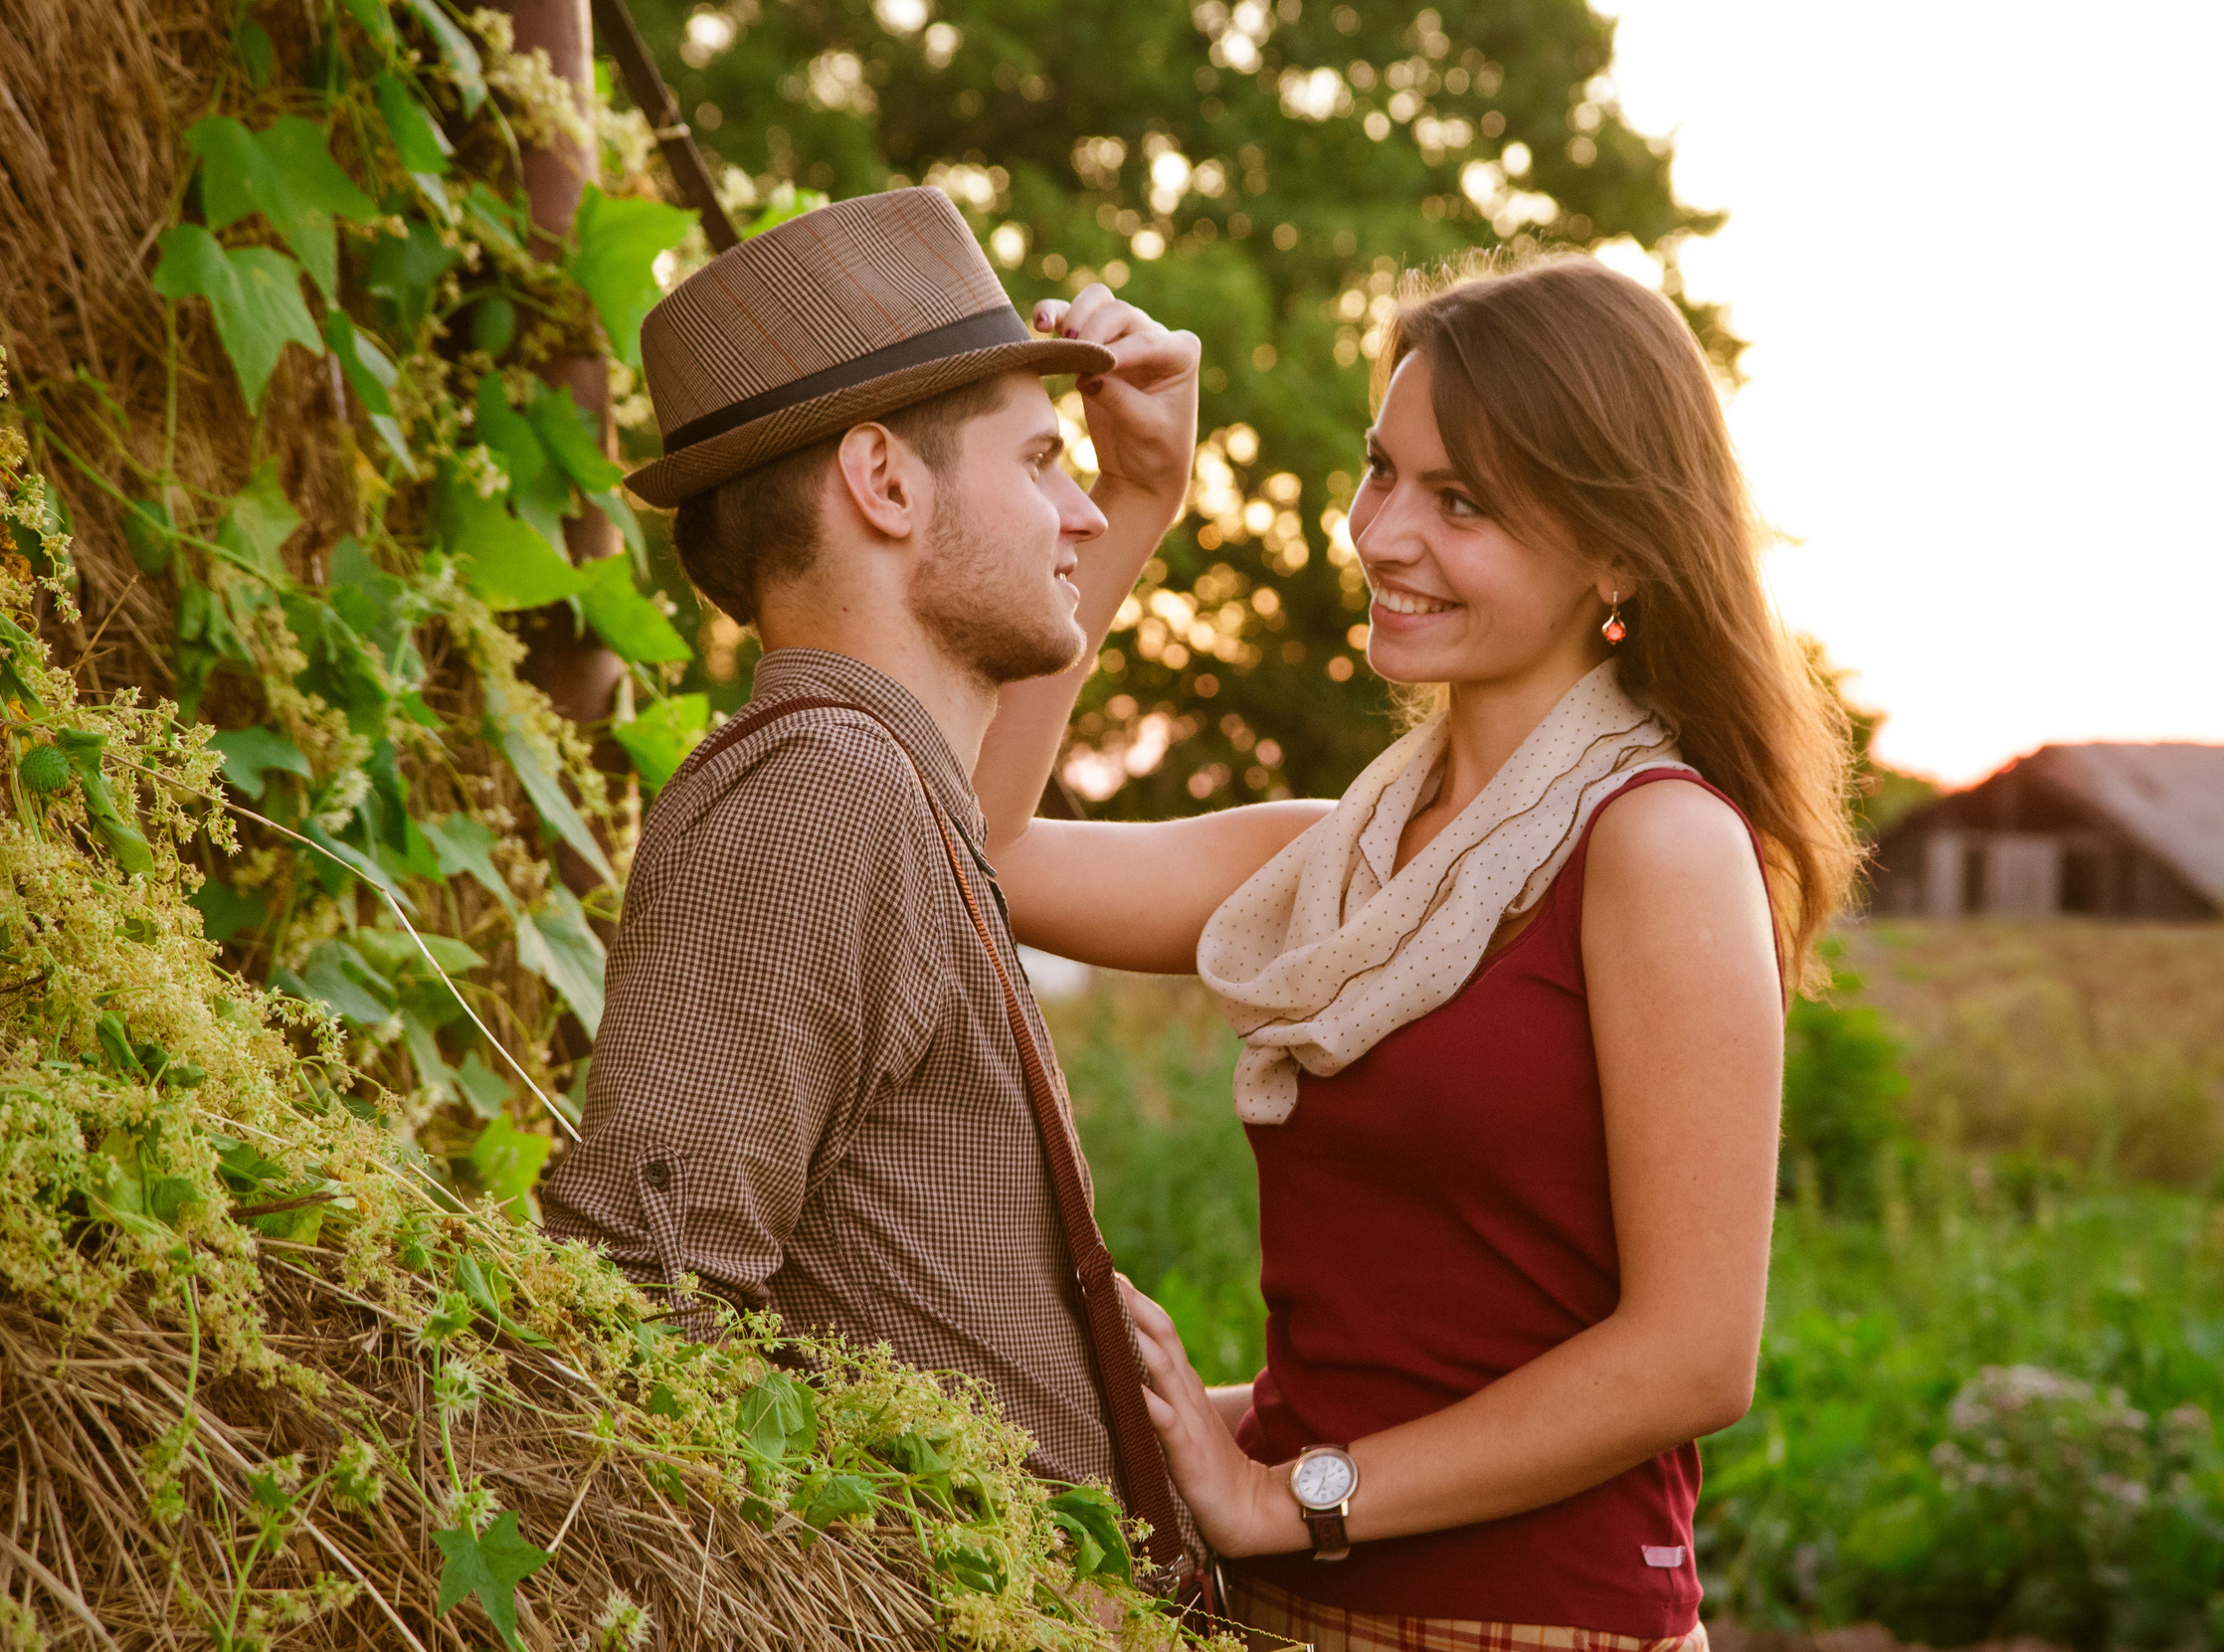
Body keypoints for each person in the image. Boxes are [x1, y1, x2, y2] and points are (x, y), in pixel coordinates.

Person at [974, 253, 1858, 1645]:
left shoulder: (1655, 844)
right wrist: (1134, 503)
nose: (1383, 533)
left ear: (1617, 553)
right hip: (1270, 1609)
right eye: (1384, 472)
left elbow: (1693, 1357)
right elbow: (980, 846)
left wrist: (1289, 1497)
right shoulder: (1337, 861)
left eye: (1463, 504)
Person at [539, 187, 1207, 1582]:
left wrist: (1150, 494)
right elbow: (631, 1321)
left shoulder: (891, 796)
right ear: (885, 483)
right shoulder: (823, 796)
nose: (1079, 513)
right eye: (1042, 461)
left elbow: (992, 817)